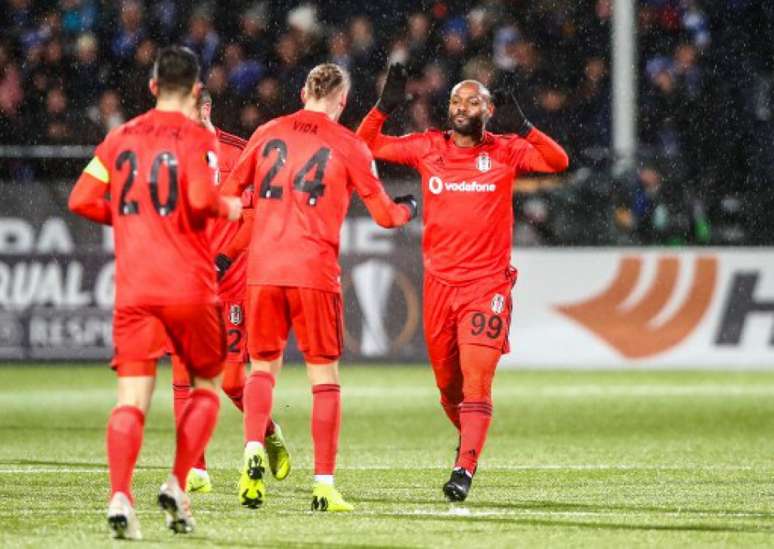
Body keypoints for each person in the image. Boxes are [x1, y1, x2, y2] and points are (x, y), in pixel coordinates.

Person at [356, 64, 569, 502]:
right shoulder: (428, 147)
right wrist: (382, 107)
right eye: (456, 100)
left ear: (489, 110)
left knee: (476, 383)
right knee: (448, 391)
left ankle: (464, 468)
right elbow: (364, 146)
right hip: (438, 288)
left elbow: (557, 161)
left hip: (486, 288)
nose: (461, 107)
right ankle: (471, 436)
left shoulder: (507, 151)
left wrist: (526, 128)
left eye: (472, 101)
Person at [221, 63, 416, 512]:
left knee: (263, 369)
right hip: (314, 272)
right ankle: (324, 487)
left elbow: (231, 193)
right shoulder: (347, 144)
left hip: (264, 270)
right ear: (343, 101)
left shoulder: (267, 131)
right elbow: (386, 217)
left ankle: (253, 448)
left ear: (303, 90)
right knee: (323, 379)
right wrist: (409, 208)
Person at [68, 46, 242, 539]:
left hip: (136, 287)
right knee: (207, 387)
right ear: (193, 91)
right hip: (189, 283)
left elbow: (80, 198)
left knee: (131, 400)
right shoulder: (196, 136)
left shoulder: (120, 137)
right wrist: (226, 208)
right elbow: (201, 198)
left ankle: (120, 494)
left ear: (150, 87)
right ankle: (177, 483)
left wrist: (127, 218)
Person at [169, 89, 291, 495]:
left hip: (232, 281)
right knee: (184, 377)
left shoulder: (238, 153)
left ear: (206, 109)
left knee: (233, 381)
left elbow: (254, 218)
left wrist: (221, 258)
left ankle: (267, 430)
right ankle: (195, 467)